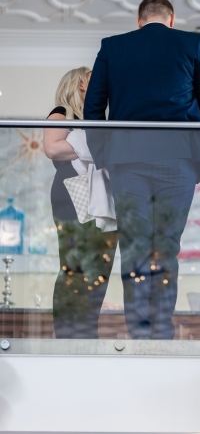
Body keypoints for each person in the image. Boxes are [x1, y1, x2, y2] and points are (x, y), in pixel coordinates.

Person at [84, 0, 200, 339]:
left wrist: (106, 158)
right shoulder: (190, 42)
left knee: (134, 246)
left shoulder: (112, 47)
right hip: (178, 159)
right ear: (171, 19)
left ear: (139, 20)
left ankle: (138, 333)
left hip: (127, 160)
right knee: (166, 246)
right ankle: (161, 331)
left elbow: (93, 108)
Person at [43, 67, 117, 338]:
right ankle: (67, 333)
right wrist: (93, 145)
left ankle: (86, 329)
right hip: (72, 197)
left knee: (99, 268)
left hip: (99, 200)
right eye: (93, 80)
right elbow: (52, 147)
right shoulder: (62, 112)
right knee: (75, 265)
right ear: (81, 85)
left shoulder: (98, 119)